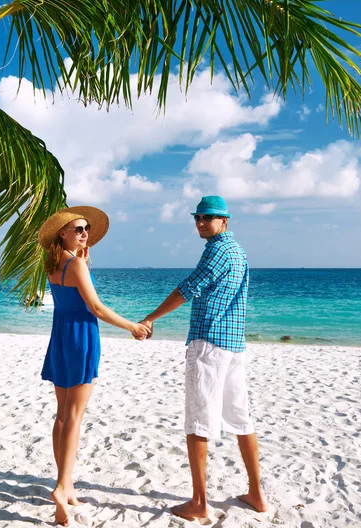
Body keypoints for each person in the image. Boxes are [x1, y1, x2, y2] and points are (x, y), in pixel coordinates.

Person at [141, 195, 267, 519]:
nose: (200, 222)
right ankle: (256, 494)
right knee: (241, 419)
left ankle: (199, 503)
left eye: (207, 217)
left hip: (210, 345)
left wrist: (150, 318)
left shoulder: (218, 250)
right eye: (196, 217)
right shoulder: (239, 253)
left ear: (224, 221)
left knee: (198, 423)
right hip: (233, 346)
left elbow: (187, 289)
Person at [38, 205, 151, 526]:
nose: (85, 233)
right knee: (73, 417)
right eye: (78, 229)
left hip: (60, 336)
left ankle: (67, 485)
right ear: (63, 233)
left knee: (62, 415)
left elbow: (70, 295)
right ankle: (61, 487)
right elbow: (97, 307)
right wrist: (133, 326)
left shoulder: (54, 263)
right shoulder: (75, 265)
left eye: (86, 228)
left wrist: (82, 261)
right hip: (82, 337)